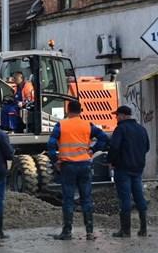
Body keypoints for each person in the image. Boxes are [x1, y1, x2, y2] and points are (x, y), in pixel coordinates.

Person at [47, 100, 109, 241]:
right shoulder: (87, 125)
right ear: (81, 111)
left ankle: (67, 232)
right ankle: (89, 232)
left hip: (68, 166)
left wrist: (55, 160)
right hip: (84, 165)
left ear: (68, 111)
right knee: (86, 199)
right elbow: (104, 138)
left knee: (68, 199)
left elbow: (50, 144)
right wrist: (93, 150)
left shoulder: (61, 125)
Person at [108, 105, 150, 238]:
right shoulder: (142, 129)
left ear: (123, 115)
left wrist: (111, 161)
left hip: (123, 169)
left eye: (117, 115)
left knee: (125, 198)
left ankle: (125, 231)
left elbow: (114, 147)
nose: (116, 118)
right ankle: (143, 229)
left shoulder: (120, 129)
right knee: (139, 197)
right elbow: (147, 147)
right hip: (137, 169)